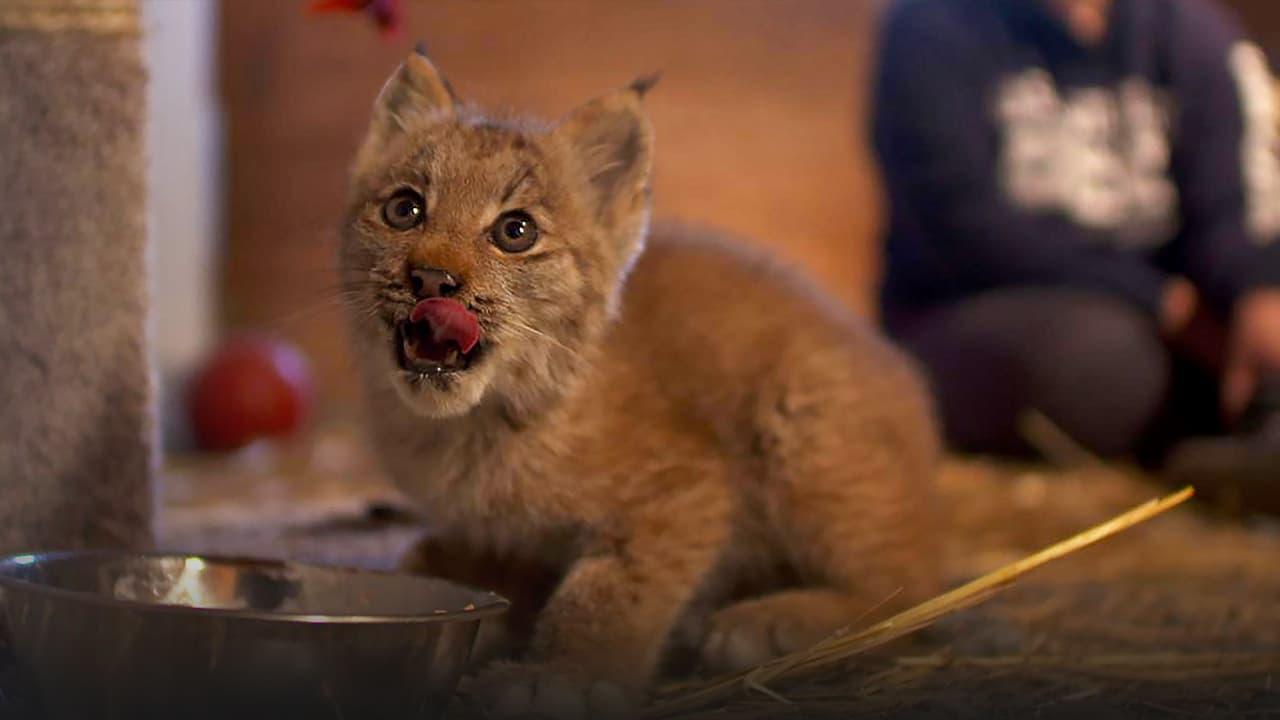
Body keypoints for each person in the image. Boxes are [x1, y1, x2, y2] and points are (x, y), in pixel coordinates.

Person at [872, 0, 1280, 512]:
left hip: (1184, 322)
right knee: (1103, 361)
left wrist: (1254, 292)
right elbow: (971, 233)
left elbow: (1228, 206)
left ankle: (1255, 442)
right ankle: (1217, 448)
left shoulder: (1186, 29)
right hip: (995, 310)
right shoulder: (932, 26)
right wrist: (1164, 303)